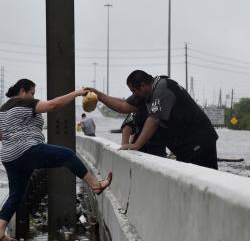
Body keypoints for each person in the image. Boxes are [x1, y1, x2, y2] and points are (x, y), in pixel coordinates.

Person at [0, 79, 112, 241]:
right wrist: (77, 93)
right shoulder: (24, 103)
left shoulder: (2, 110)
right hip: (27, 150)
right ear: (22, 91)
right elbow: (52, 105)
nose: (33, 97)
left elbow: (0, 136)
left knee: (16, 195)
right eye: (32, 93)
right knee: (68, 155)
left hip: (9, 157)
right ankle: (96, 186)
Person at [87, 70, 218, 169]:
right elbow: (123, 106)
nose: (134, 95)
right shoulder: (146, 93)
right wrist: (98, 95)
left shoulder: (163, 88)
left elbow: (154, 119)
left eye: (134, 91)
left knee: (208, 181)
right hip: (183, 148)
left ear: (143, 85)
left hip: (200, 142)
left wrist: (136, 145)